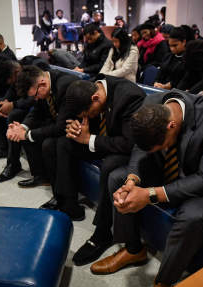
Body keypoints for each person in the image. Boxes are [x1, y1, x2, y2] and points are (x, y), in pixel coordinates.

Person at [89, 90, 203, 287]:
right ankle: (133, 250)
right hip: (171, 166)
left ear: (171, 126)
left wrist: (150, 194)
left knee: (193, 217)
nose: (156, 149)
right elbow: (142, 149)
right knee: (117, 179)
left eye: (161, 145)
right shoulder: (150, 105)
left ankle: (164, 281)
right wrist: (133, 180)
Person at [42, 76, 145, 223]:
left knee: (110, 164)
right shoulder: (90, 86)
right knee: (61, 143)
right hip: (100, 139)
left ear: (95, 98)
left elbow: (129, 143)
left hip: (122, 148)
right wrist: (75, 127)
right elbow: (79, 119)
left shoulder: (130, 96)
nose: (86, 117)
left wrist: (88, 139)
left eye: (87, 114)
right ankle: (68, 204)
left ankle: (102, 226)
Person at [0, 66, 79, 186]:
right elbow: (37, 110)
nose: (35, 98)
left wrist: (26, 134)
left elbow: (61, 126)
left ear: (43, 84)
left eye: (35, 95)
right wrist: (23, 127)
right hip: (57, 119)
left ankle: (58, 188)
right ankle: (41, 176)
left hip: (74, 126)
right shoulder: (42, 84)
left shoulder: (65, 86)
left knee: (44, 141)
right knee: (27, 130)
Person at [154, 26, 194, 90]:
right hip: (161, 89)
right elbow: (160, 73)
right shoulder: (167, 57)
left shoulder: (189, 59)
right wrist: (156, 82)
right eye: (170, 45)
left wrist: (168, 86)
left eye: (175, 45)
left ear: (184, 42)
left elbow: (184, 79)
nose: (172, 49)